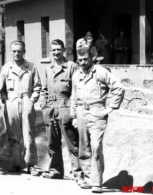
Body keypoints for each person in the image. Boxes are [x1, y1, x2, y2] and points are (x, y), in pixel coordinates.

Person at [70, 40, 125, 193]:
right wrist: (73, 115)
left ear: (92, 57)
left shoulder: (100, 72)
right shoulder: (76, 75)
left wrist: (110, 108)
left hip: (96, 114)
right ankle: (89, 178)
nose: (82, 63)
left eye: (85, 59)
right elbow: (73, 96)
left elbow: (118, 88)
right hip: (80, 113)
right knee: (84, 148)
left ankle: (96, 183)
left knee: (96, 147)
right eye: (79, 60)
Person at [39, 39, 89, 188]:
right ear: (50, 51)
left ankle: (79, 175)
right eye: (53, 50)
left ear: (63, 50)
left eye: (58, 50)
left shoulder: (72, 67)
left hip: (66, 108)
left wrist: (74, 111)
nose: (55, 53)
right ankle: (55, 170)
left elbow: (77, 89)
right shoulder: (48, 69)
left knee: (72, 144)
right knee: (52, 143)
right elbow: (44, 90)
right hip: (50, 109)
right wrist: (43, 105)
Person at [0, 40, 41, 175]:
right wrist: (5, 99)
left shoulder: (31, 67)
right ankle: (15, 164)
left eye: (19, 51)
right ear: (10, 52)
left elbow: (37, 86)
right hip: (11, 102)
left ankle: (31, 164)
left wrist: (31, 100)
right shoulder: (6, 68)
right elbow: (1, 87)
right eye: (14, 51)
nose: (17, 53)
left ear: (24, 51)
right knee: (13, 136)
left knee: (29, 134)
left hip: (26, 100)